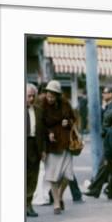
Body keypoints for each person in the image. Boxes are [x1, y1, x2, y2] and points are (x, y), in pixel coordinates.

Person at [38, 79, 76, 215]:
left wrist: (69, 122)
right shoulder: (41, 104)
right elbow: (40, 125)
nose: (50, 98)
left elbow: (74, 120)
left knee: (68, 175)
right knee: (52, 176)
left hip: (65, 144)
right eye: (48, 95)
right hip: (51, 146)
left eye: (53, 95)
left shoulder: (65, 104)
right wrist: (48, 134)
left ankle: (59, 196)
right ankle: (56, 203)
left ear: (58, 95)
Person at [88, 113, 112, 199]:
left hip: (109, 157)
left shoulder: (109, 131)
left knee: (111, 175)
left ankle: (100, 191)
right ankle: (111, 194)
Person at [26, 83, 44, 217]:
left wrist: (43, 150)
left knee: (33, 176)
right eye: (28, 96)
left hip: (35, 146)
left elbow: (42, 131)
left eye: (33, 96)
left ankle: (28, 204)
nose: (31, 99)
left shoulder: (38, 110)